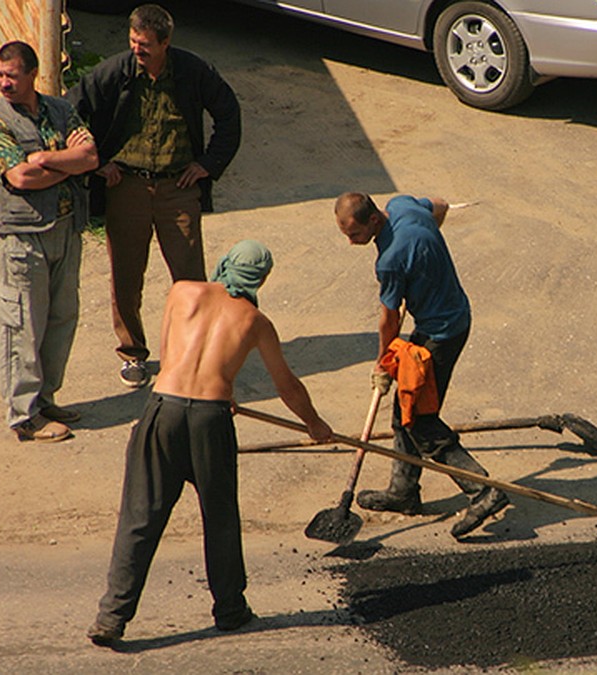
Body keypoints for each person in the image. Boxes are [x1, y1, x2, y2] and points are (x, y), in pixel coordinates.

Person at [87, 241, 332, 645]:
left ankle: (111, 617)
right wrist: (314, 424)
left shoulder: (182, 290)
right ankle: (231, 611)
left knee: (140, 517)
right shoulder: (255, 321)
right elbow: (286, 384)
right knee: (219, 517)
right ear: (260, 280)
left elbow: (170, 357)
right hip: (210, 421)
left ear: (223, 265)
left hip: (163, 411)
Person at [67, 3, 241, 389]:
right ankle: (132, 354)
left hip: (178, 188)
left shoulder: (193, 72)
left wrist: (208, 164)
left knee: (190, 280)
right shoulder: (114, 72)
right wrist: (98, 162)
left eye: (145, 44)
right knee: (127, 279)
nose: (137, 50)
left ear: (165, 42)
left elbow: (229, 114)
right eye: (133, 41)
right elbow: (70, 111)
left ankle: (193, 354)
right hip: (126, 187)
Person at [334, 192, 509, 540]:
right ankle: (404, 492)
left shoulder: (390, 259)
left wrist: (384, 364)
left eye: (354, 235)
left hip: (440, 335)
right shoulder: (402, 205)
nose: (352, 243)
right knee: (404, 413)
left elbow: (388, 318)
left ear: (372, 220)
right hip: (455, 315)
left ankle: (483, 490)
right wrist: (427, 255)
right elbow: (439, 206)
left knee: (420, 419)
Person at [0, 41, 99, 443]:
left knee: (61, 318)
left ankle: (45, 400)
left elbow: (91, 157)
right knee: (22, 325)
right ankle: (23, 415)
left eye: (12, 75)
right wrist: (66, 161)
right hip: (24, 239)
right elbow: (19, 178)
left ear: (32, 75)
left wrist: (46, 160)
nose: (4, 83)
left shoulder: (60, 110)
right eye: (0, 75)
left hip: (65, 230)